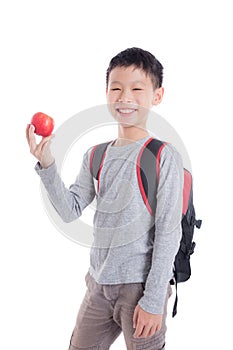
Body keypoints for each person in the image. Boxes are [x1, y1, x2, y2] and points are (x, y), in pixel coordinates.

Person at [26, 47, 184, 350]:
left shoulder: (162, 155)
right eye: (116, 88)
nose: (125, 97)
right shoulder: (96, 154)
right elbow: (70, 210)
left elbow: (168, 231)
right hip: (98, 285)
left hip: (140, 289)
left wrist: (153, 301)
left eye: (137, 89)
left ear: (157, 95)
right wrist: (47, 164)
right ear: (107, 93)